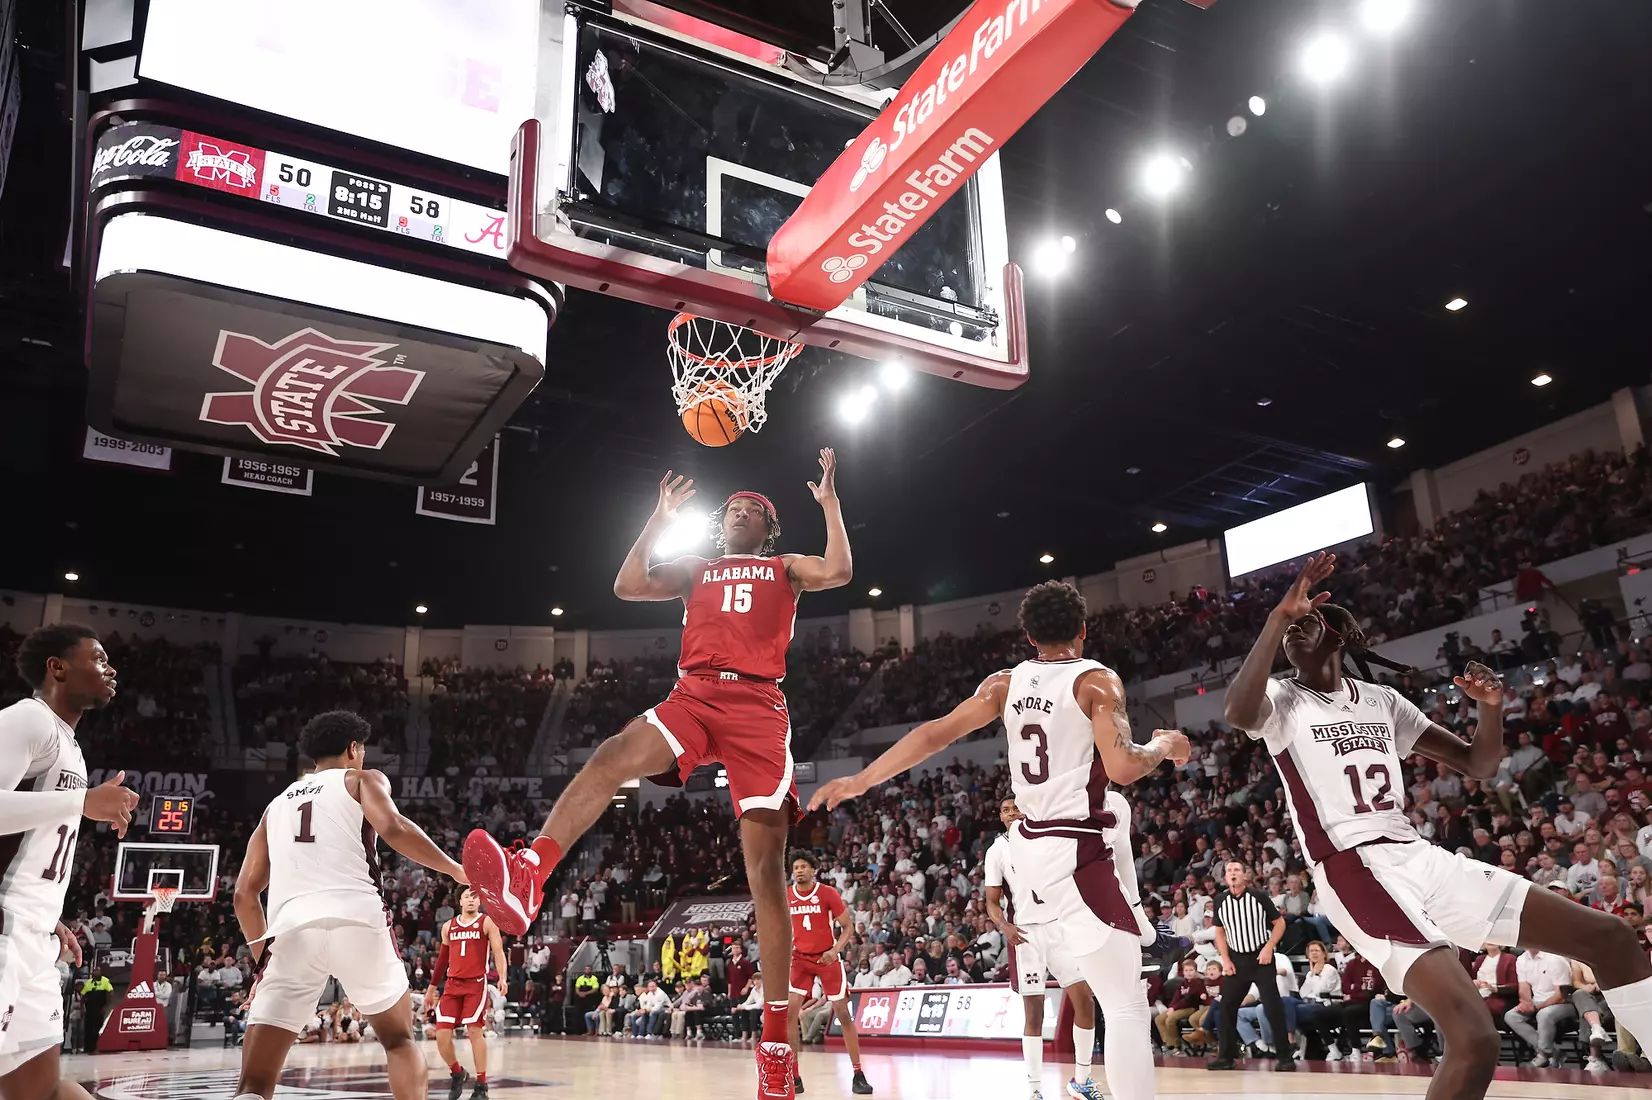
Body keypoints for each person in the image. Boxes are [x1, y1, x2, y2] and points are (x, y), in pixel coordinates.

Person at [466, 452, 852, 1100]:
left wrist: (831, 505)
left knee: (764, 871)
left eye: (750, 509)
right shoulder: (694, 570)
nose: (737, 512)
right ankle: (531, 872)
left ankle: (777, 1039)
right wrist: (657, 516)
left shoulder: (784, 568)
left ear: (768, 527)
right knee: (613, 753)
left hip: (759, 706)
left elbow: (839, 569)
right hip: (694, 694)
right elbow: (626, 584)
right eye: (731, 508)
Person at [1223, 552, 1652, 1100]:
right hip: (1354, 868)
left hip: (1418, 855)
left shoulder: (1381, 700)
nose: (1292, 629)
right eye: (1288, 626)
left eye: (1306, 621)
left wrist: (1491, 707)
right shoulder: (1281, 700)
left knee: (1610, 936)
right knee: (1475, 1039)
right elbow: (1237, 711)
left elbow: (1478, 764)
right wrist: (1277, 617)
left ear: (1339, 635)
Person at [812, 580, 1189, 1100]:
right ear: (1083, 630)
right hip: (1075, 850)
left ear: (1029, 635)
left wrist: (861, 780)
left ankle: (1144, 929)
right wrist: (1164, 745)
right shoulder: (1097, 681)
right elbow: (1123, 767)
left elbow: (932, 733)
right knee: (1125, 1003)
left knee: (1115, 822)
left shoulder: (1004, 684)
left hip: (1029, 853)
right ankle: (1145, 932)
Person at [230, 711, 468, 1100]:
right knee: (398, 1041)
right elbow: (394, 828)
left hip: (290, 932)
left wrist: (264, 963)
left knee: (254, 1084)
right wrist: (455, 870)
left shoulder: (275, 806)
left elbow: (244, 895)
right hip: (357, 919)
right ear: (353, 749)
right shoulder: (362, 779)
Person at [0, 624, 138, 1090]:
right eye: (98, 659)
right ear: (56, 668)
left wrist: (49, 918)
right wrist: (80, 802)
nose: (111, 668)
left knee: (37, 1089)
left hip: (33, 933)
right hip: (6, 927)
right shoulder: (28, 718)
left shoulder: (69, 745)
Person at [984, 796, 1108, 1100]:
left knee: (1085, 1001)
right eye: (1005, 810)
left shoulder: (1045, 836)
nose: (1011, 812)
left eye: (1015, 807)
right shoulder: (996, 851)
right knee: (1034, 1015)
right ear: (1000, 817)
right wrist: (1005, 927)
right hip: (1025, 934)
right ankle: (1035, 1090)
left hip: (1058, 928)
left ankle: (1082, 1080)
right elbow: (991, 901)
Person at [785, 851, 872, 1095]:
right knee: (790, 1014)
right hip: (800, 959)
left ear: (813, 870)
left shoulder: (827, 893)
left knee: (843, 1013)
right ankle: (794, 1075)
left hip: (826, 957)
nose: (799, 871)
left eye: (803, 866)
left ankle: (858, 1073)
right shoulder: (787, 895)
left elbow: (848, 927)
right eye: (795, 867)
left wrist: (835, 951)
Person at [1205, 862, 1295, 1071]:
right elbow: (1219, 932)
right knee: (1226, 1007)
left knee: (1272, 1006)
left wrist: (1269, 947)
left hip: (1260, 957)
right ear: (1225, 877)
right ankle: (1226, 1057)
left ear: (1245, 875)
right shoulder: (1220, 900)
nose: (1233, 873)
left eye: (1236, 870)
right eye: (1229, 871)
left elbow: (1279, 923)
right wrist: (1225, 960)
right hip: (1236, 959)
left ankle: (1285, 1057)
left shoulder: (1259, 897)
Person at [432, 888, 508, 1100]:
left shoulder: (487, 922)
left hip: (475, 984)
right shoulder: (448, 927)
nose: (472, 900)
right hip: (452, 985)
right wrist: (431, 988)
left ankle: (482, 1085)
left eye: (475, 896)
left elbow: (498, 951)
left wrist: (502, 977)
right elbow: (442, 960)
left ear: (480, 900)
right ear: (460, 901)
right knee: (441, 1035)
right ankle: (457, 1072)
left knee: (474, 1032)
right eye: (467, 896)